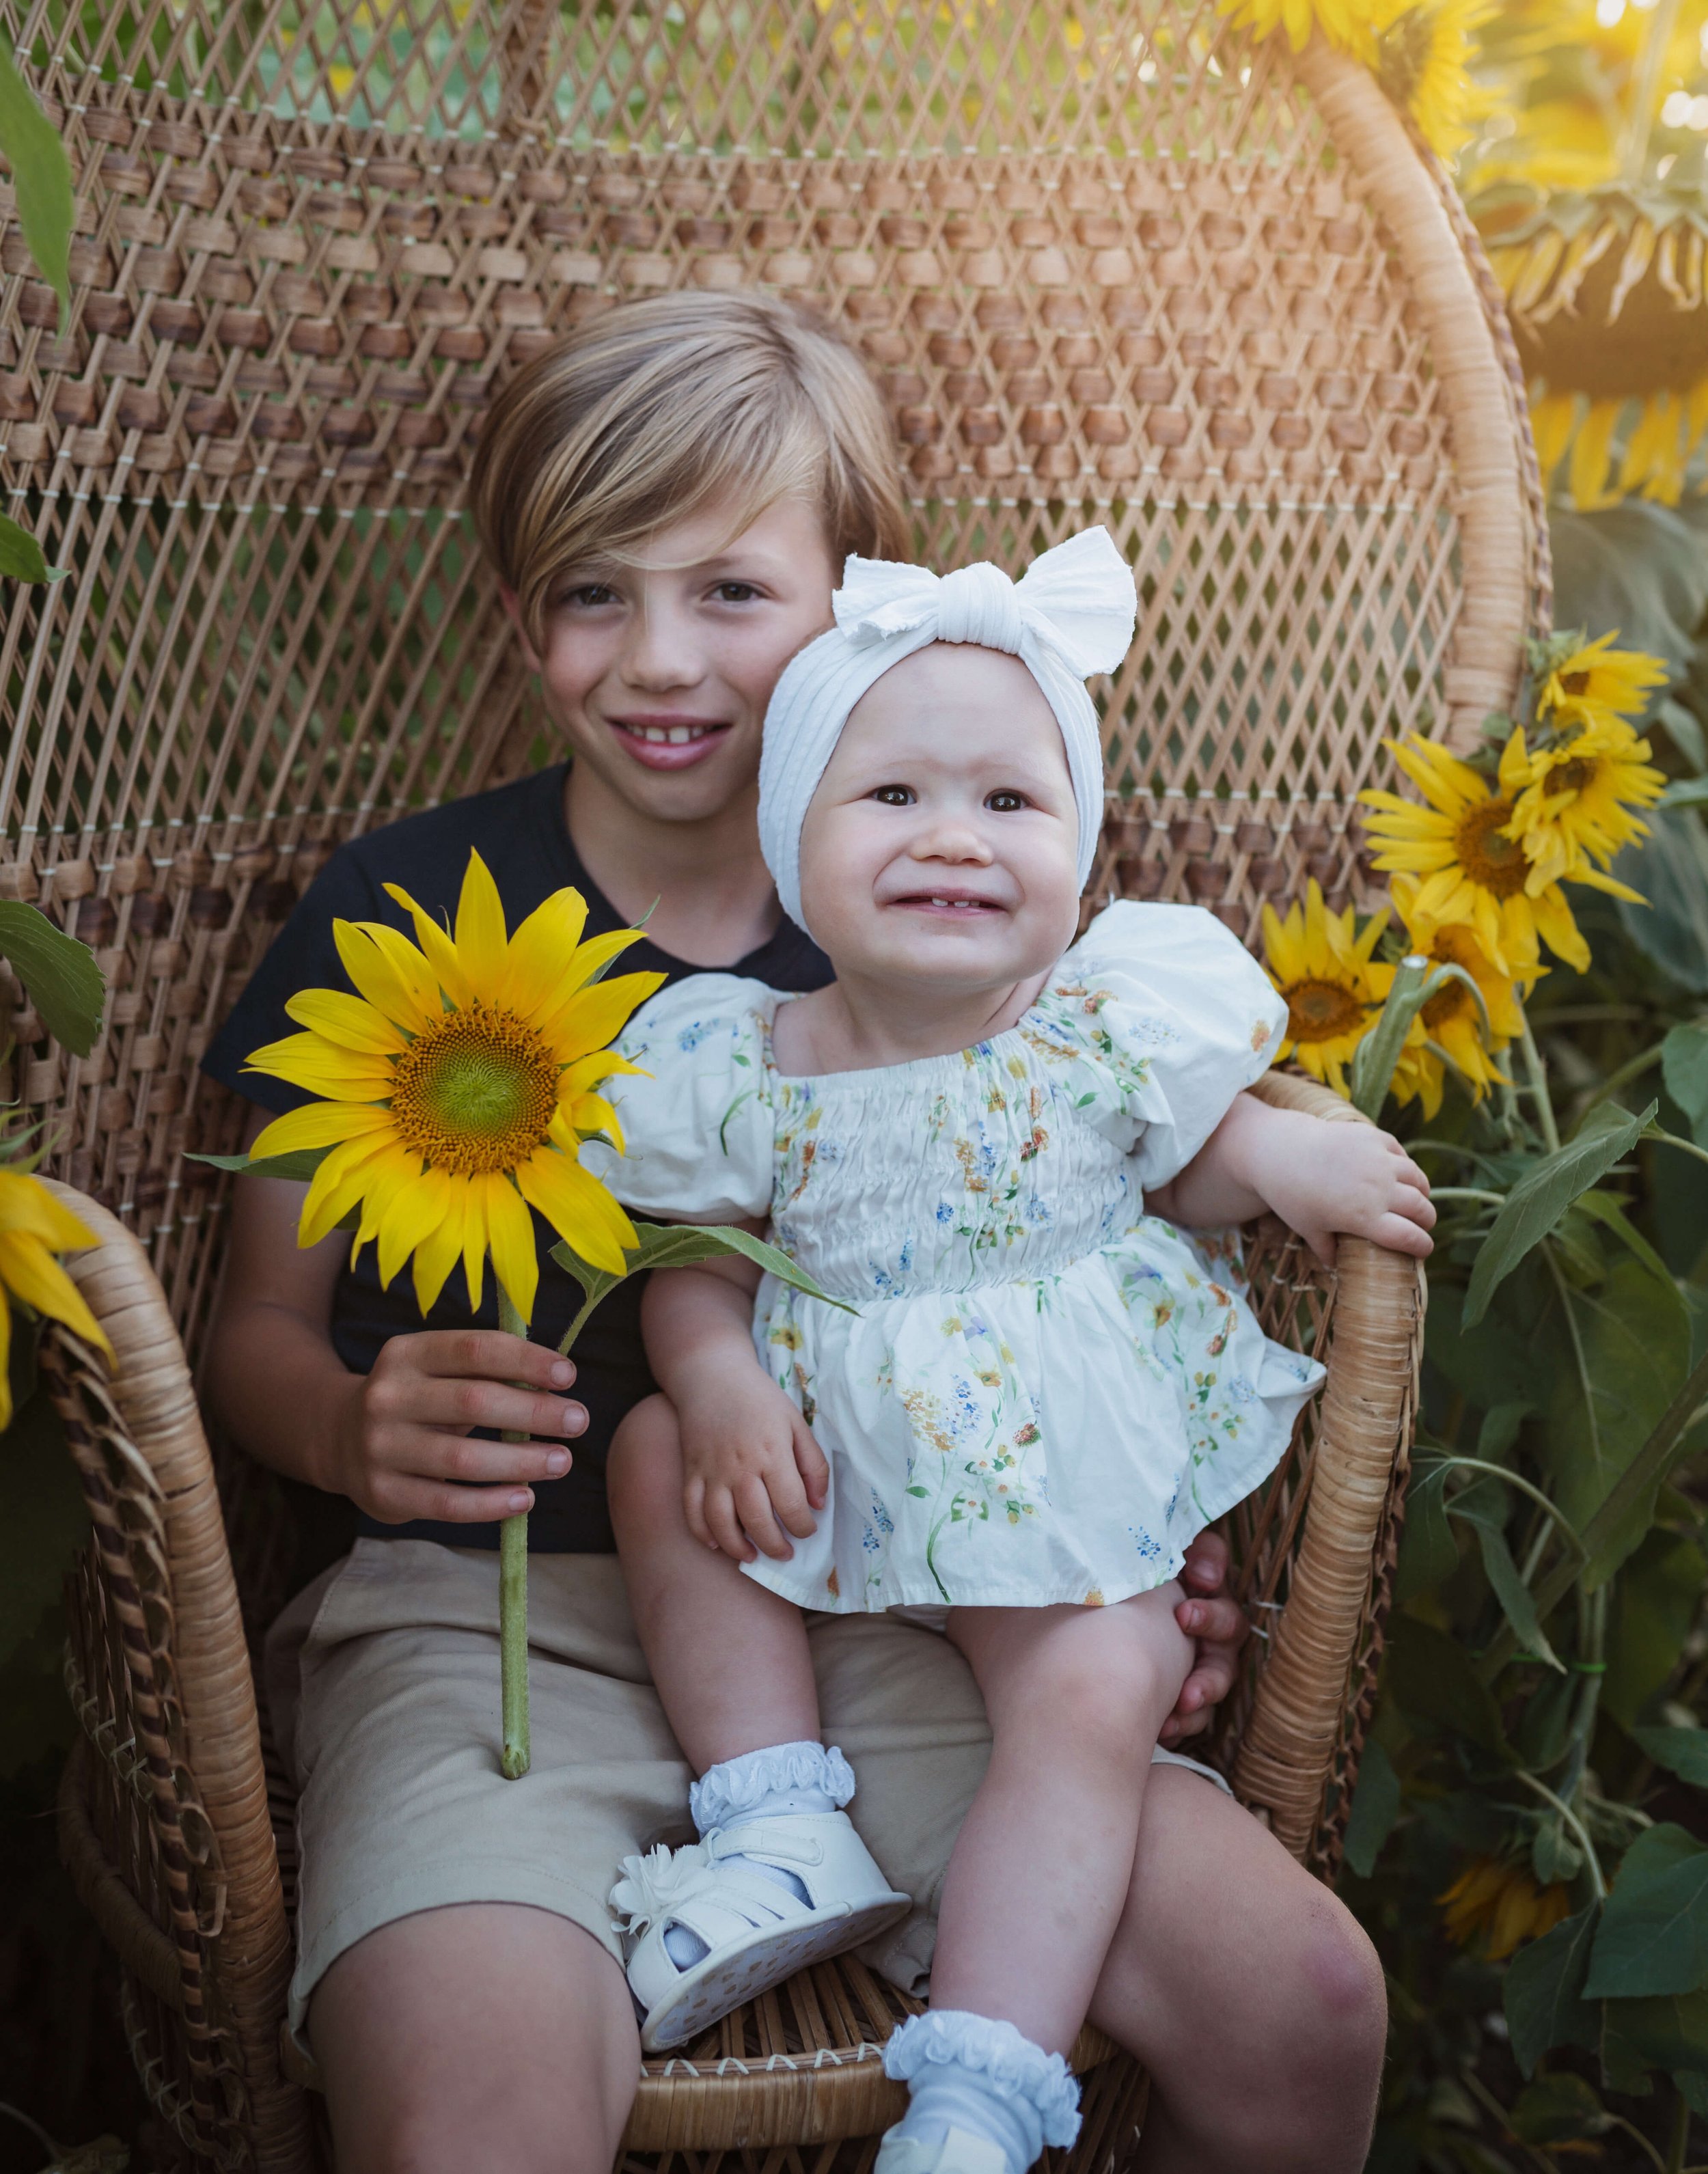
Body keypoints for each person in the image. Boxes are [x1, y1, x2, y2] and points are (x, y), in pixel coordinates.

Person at [201, 292, 1392, 2174]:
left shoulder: (952, 914)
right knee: (470, 2120)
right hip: (500, 1630)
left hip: (900, 1606)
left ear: (856, 601)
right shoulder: (404, 906)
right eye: (593, 592)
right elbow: (253, 1327)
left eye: (730, 593)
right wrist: (347, 1425)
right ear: (521, 622)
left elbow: (1085, 1232)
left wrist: (1124, 1555)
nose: (657, 657)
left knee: (1302, 2009)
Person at [593, 530, 1435, 2173]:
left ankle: (980, 2078)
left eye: (1008, 802)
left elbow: (1167, 1169)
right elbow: (691, 1255)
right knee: (650, 1451)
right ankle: (775, 1818)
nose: (952, 841)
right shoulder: (740, 1057)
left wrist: (1268, 1156)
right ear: (794, 845)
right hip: (820, 1475)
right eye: (890, 799)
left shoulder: (1090, 1018)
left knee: (1102, 1679)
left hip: (1038, 1489)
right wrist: (713, 1379)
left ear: (1075, 842)